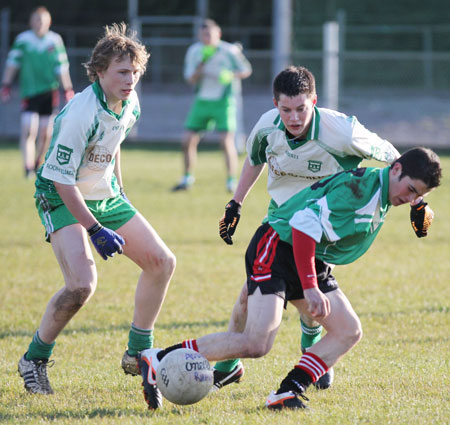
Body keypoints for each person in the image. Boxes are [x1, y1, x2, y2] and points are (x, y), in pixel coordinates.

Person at [140, 147, 441, 410]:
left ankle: (287, 392)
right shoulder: (358, 192)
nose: (410, 198)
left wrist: (418, 203)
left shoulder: (382, 187)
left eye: (419, 195)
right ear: (397, 169)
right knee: (257, 343)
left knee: (348, 330)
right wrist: (309, 287)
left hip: (309, 255)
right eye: (411, 190)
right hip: (278, 246)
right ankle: (159, 357)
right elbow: (302, 225)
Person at [215, 65, 403, 391]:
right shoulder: (266, 127)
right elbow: (254, 159)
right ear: (276, 105)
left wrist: (416, 199)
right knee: (249, 295)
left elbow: (392, 156)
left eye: (302, 108)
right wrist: (236, 203)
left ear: (314, 100)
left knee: (310, 299)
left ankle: (310, 347)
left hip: (323, 226)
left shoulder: (342, 131)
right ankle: (230, 366)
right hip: (278, 221)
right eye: (286, 109)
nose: (294, 117)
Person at [17, 23, 176, 409]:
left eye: (135, 72)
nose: (131, 79)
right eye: (122, 72)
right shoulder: (80, 113)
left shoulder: (131, 101)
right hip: (59, 194)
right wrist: (95, 228)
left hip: (105, 195)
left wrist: (120, 191)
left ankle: (137, 351)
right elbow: (62, 180)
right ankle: (33, 359)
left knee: (161, 262)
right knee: (82, 286)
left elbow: (114, 142)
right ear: (99, 71)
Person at [172, 19, 252, 193]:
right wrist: (201, 65)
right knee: (187, 140)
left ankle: (231, 182)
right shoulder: (195, 51)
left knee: (225, 141)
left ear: (218, 35)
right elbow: (190, 79)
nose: (206, 39)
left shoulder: (229, 50)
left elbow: (246, 69)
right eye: (203, 35)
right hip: (202, 101)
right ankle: (187, 179)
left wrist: (230, 75)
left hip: (224, 101)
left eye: (209, 35)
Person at [1, 6, 74, 178]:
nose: (40, 23)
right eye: (37, 20)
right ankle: (27, 167)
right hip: (29, 92)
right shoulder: (23, 40)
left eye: (43, 20)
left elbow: (62, 68)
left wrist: (68, 89)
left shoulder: (54, 41)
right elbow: (12, 64)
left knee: (46, 132)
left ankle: (38, 162)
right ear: (31, 22)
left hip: (49, 92)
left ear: (49, 22)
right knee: (28, 128)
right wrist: (6, 84)